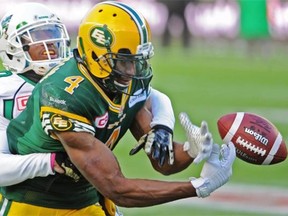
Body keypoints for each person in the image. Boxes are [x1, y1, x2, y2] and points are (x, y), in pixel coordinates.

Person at [1, 1, 236, 215]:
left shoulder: (117, 77)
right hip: (38, 206)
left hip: (89, 197)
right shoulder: (62, 95)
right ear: (97, 56)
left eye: (136, 60)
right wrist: (198, 187)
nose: (133, 72)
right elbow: (117, 188)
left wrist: (183, 143)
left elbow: (162, 157)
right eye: (124, 61)